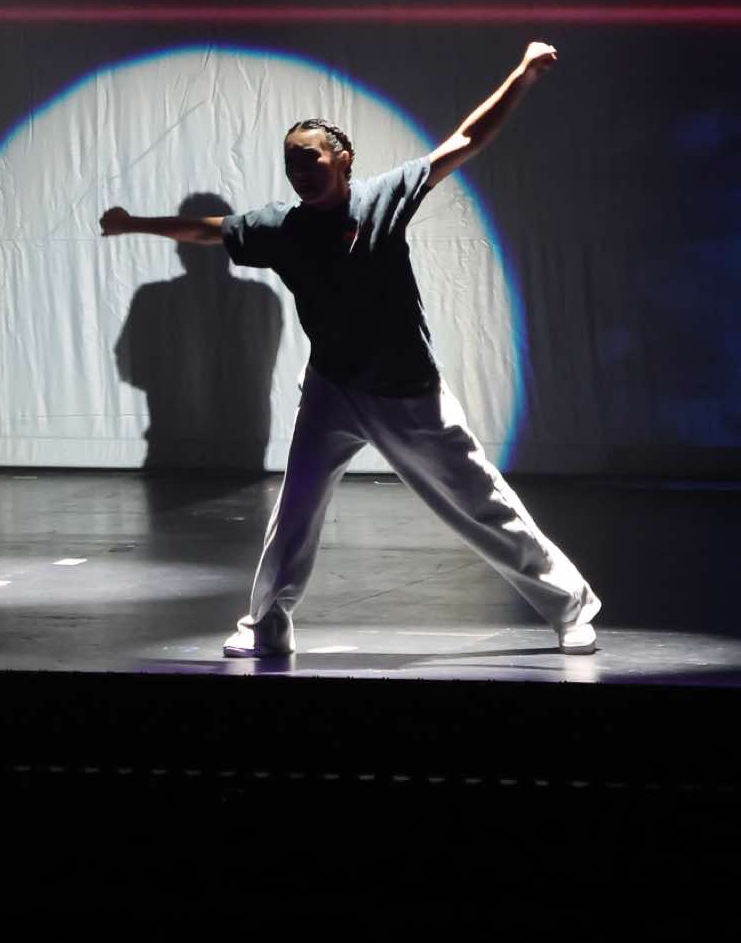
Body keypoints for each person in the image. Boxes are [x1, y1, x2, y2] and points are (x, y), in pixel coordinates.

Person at [99, 42, 600, 655]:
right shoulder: (281, 228)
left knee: (479, 503)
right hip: (332, 388)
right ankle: (266, 626)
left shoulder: (382, 198)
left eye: (309, 157)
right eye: (290, 163)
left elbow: (466, 141)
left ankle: (571, 607)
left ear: (342, 159)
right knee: (296, 509)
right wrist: (135, 223)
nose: (299, 171)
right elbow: (210, 231)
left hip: (407, 390)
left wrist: (521, 76)